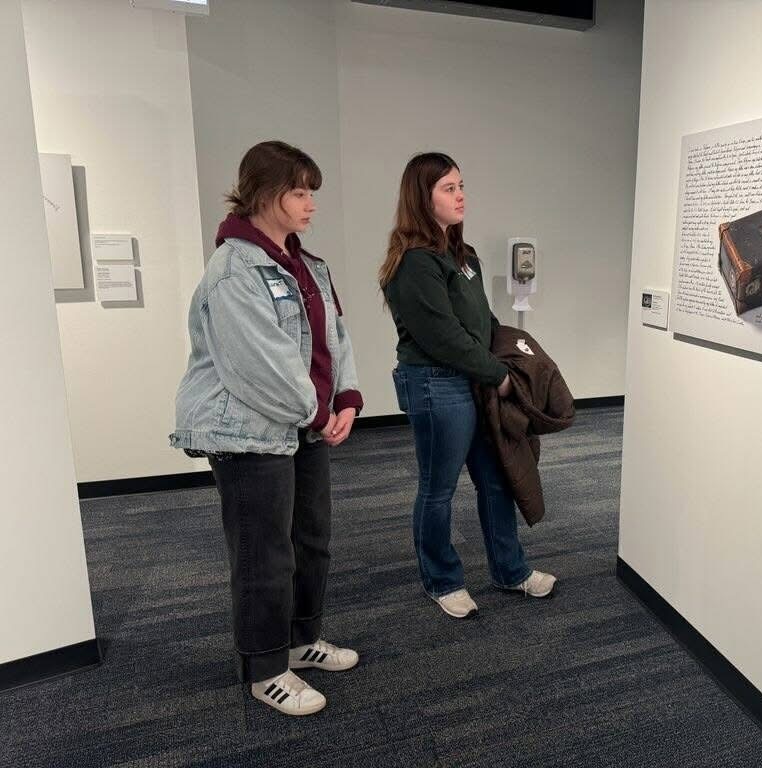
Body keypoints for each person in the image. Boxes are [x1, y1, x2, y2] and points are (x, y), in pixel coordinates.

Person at [170, 141, 362, 716]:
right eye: (299, 192)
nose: (310, 205)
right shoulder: (234, 270)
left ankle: (301, 642)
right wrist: (317, 410)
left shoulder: (307, 264)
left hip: (304, 424)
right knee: (264, 554)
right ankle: (265, 668)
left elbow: (335, 339)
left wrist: (346, 398)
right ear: (262, 193)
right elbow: (259, 365)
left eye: (312, 193)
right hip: (248, 433)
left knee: (312, 541)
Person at [379, 152, 556, 619]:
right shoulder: (414, 261)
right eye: (448, 188)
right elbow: (444, 336)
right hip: (438, 385)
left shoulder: (463, 255)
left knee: (496, 480)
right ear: (423, 197)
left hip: (474, 380)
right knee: (438, 489)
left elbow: (482, 320)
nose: (461, 196)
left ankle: (510, 570)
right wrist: (497, 374)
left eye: (461, 186)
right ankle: (442, 580)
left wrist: (511, 357)